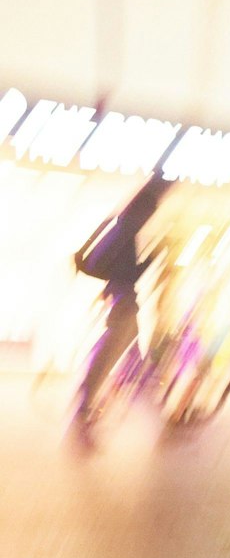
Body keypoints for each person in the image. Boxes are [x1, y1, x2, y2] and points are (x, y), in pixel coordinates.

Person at [69, 173, 172, 442]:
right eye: (150, 210)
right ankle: (87, 402)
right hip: (123, 304)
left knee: (126, 352)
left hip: (124, 302)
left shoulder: (125, 229)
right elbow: (128, 273)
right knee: (110, 356)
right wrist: (156, 254)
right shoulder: (125, 232)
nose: (151, 215)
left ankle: (130, 393)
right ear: (142, 211)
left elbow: (120, 271)